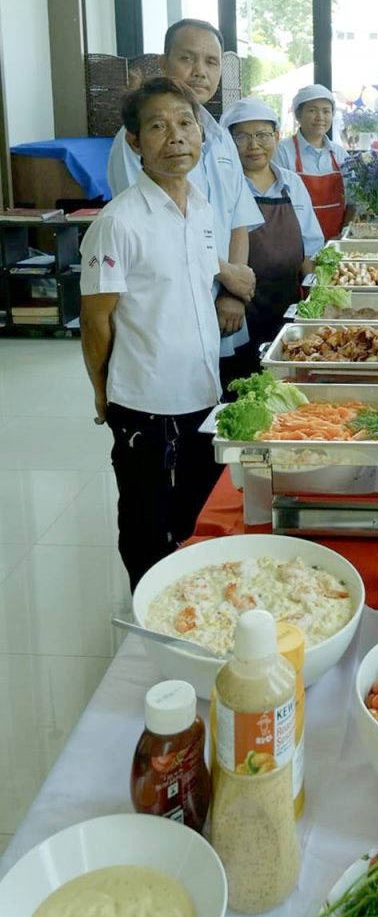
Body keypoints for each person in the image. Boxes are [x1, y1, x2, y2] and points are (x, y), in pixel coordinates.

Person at [80, 77, 227, 591]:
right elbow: (96, 321)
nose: (176, 136)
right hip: (145, 401)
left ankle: (190, 605)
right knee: (145, 520)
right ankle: (147, 613)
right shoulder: (117, 222)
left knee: (195, 514)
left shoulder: (202, 208)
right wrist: (102, 392)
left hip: (202, 392)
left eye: (186, 123)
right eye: (158, 127)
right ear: (135, 142)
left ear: (201, 133)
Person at [107, 18, 260, 361]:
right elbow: (157, 230)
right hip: (167, 307)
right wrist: (230, 275)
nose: (200, 72)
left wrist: (233, 293)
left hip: (226, 308)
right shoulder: (139, 142)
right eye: (187, 58)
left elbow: (238, 219)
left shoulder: (220, 138)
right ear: (163, 63)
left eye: (211, 62)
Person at [219, 98, 324, 377]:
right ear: (228, 142)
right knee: (242, 378)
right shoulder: (223, 186)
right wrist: (231, 295)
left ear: (276, 137)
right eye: (242, 137)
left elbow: (310, 248)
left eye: (262, 135)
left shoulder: (292, 183)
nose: (254, 145)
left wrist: (315, 300)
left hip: (287, 301)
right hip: (239, 306)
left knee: (286, 378)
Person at [274, 84, 353, 241]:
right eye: (312, 110)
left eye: (326, 111)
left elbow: (353, 201)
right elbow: (278, 206)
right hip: (296, 242)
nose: (320, 117)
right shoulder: (282, 151)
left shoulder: (340, 154)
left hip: (335, 241)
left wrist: (342, 236)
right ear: (298, 115)